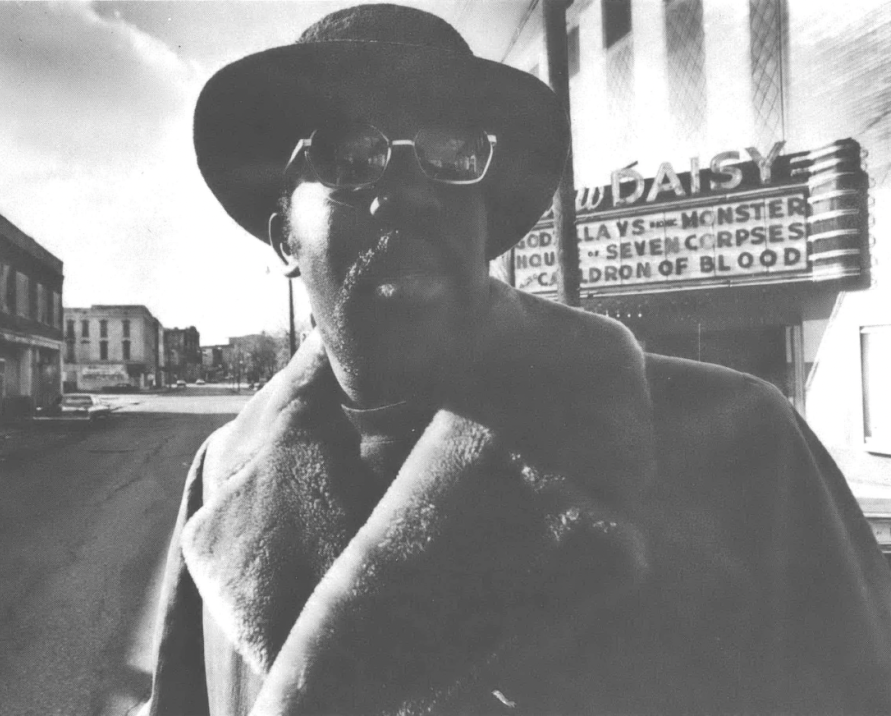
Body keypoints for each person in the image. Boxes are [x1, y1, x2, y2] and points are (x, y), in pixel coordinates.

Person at [148, 5, 891, 715]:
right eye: (350, 157)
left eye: (454, 153)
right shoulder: (220, 486)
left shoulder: (739, 443)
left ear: (487, 211)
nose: (412, 191)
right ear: (285, 238)